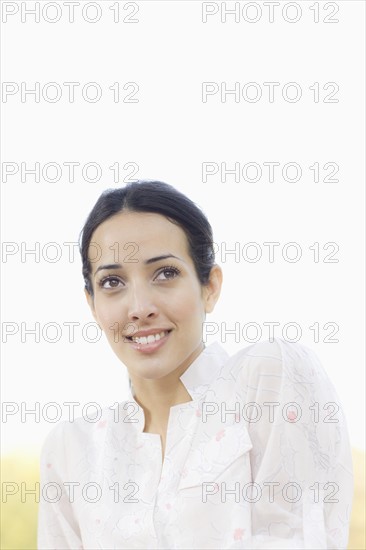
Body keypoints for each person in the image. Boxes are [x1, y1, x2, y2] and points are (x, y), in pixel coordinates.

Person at [37, 180, 353, 549]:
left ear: (210, 287)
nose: (139, 307)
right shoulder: (71, 450)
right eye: (112, 281)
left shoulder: (268, 379)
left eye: (165, 273)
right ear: (92, 305)